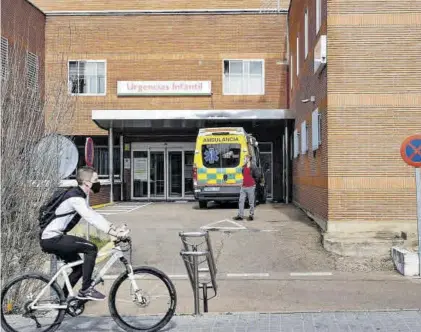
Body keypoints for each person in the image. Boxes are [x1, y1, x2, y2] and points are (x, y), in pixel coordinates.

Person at [40, 166, 128, 301]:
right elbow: (90, 217)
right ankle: (86, 289)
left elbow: (95, 215)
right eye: (96, 180)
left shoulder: (78, 195)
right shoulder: (75, 198)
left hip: (53, 237)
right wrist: (112, 232)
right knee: (91, 248)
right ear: (87, 183)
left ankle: (61, 300)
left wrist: (113, 228)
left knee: (79, 268)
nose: (98, 183)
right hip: (52, 238)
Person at [233, 154, 261, 221]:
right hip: (244, 187)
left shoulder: (253, 167)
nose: (244, 160)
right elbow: (244, 176)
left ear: (248, 159)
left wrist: (253, 182)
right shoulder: (243, 167)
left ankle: (251, 215)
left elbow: (258, 176)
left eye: (245, 159)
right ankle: (240, 215)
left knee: (251, 202)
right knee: (241, 201)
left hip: (251, 186)